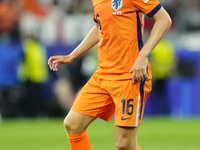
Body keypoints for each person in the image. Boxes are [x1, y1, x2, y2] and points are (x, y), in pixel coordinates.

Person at [48, 0, 171, 149]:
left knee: (124, 144)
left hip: (129, 75)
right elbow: (100, 27)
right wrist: (72, 56)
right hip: (103, 74)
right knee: (73, 124)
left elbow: (164, 19)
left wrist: (143, 56)